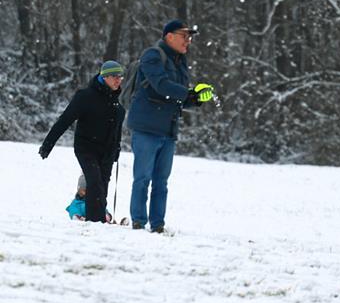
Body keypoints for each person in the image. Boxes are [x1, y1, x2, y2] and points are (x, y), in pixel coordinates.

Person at [126, 20, 215, 233]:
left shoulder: (181, 62)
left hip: (168, 129)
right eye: (184, 36)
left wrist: (197, 98)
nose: (188, 40)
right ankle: (138, 221)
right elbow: (162, 86)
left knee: (161, 182)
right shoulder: (152, 55)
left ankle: (158, 224)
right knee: (142, 178)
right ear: (169, 36)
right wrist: (189, 93)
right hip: (146, 127)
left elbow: (177, 96)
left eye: (190, 37)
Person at [39, 60, 126, 223]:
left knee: (103, 186)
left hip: (107, 152)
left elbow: (117, 134)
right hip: (86, 148)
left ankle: (99, 220)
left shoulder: (118, 107)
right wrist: (48, 144)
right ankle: (95, 222)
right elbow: (64, 120)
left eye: (120, 77)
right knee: (94, 182)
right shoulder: (85, 97)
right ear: (104, 77)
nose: (118, 80)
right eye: (114, 76)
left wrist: (116, 151)